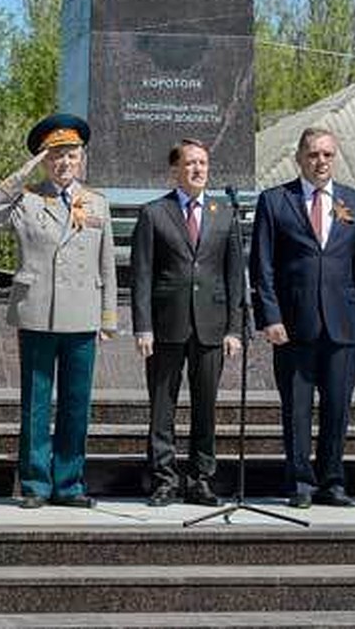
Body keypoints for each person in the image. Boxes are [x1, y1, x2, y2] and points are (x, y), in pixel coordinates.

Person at [0, 113, 117, 509]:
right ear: (44, 160)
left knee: (76, 403)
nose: (64, 163)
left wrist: (109, 317)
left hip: (82, 313)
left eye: (71, 155)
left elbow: (106, 263)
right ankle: (36, 483)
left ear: (82, 159)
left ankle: (69, 482)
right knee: (36, 402)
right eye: (55, 156)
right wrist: (25, 173)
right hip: (37, 310)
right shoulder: (28, 198)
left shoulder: (98, 203)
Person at [249, 128, 355, 509]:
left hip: (342, 323)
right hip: (293, 325)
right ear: (299, 158)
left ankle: (332, 481)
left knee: (338, 407)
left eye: (327, 155)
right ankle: (299, 482)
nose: (320, 162)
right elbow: (263, 265)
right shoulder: (275, 201)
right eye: (313, 155)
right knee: (296, 407)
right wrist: (269, 316)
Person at [130, 139, 242, 507]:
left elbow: (234, 275)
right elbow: (142, 274)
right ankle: (164, 479)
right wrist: (142, 325)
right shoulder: (153, 213)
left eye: (203, 163)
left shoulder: (224, 212)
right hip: (166, 324)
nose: (198, 169)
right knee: (163, 405)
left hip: (212, 324)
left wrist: (234, 328)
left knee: (205, 406)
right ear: (174, 169)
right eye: (190, 163)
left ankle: (200, 479)